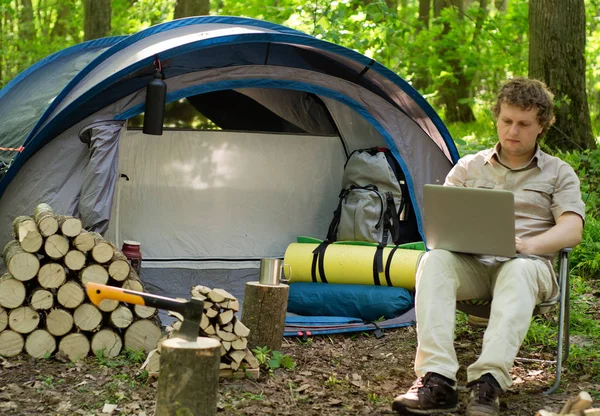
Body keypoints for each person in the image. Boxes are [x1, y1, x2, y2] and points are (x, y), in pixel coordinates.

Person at [392, 78, 585, 416]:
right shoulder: (469, 167)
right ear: (497, 118)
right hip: (473, 264)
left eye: (524, 124)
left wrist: (528, 245)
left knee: (521, 268)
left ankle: (488, 384)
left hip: (527, 267)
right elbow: (443, 222)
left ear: (542, 126)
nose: (513, 130)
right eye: (506, 120)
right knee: (434, 261)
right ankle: (436, 380)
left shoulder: (558, 173)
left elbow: (572, 228)